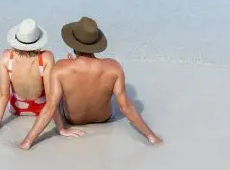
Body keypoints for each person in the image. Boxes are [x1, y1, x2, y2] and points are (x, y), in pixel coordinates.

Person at [18, 16, 162, 150]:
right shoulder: (114, 67)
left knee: (57, 93)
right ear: (96, 44)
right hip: (104, 119)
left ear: (73, 43)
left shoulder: (60, 68)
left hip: (74, 120)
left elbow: (51, 106)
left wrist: (28, 141)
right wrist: (151, 135)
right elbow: (127, 107)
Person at [0, 18, 83, 138]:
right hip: (42, 109)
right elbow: (51, 98)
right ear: (38, 41)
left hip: (16, 109)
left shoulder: (6, 58)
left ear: (16, 40)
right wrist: (62, 129)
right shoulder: (46, 58)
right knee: (60, 86)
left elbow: (4, 95)